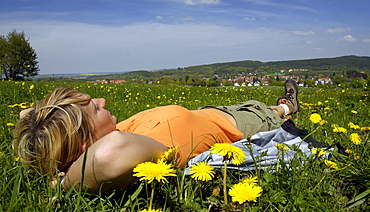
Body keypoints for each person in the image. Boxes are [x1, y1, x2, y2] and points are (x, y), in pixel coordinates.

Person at [13, 80, 300, 193]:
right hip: (237, 124)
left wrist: (42, 119)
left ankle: (283, 104)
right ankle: (287, 106)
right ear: (87, 142)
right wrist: (62, 185)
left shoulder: (112, 132)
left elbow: (26, 115)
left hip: (207, 110)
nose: (102, 100)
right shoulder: (130, 152)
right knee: (271, 110)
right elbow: (105, 157)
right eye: (94, 107)